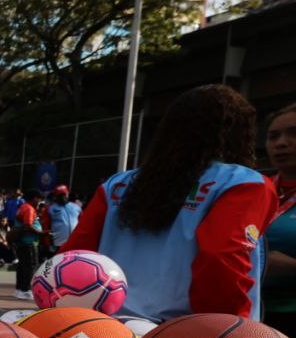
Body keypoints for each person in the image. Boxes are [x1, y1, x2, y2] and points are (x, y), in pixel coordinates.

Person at [63, 85, 277, 321]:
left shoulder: (117, 185)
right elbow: (221, 256)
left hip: (104, 326)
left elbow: (72, 257)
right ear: (240, 133)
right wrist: (227, 325)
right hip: (186, 331)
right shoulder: (243, 182)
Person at [262, 104, 296, 336]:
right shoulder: (252, 187)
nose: (281, 143)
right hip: (251, 314)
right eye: (273, 136)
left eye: (293, 133)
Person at [12, 189, 45, 300]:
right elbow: (28, 225)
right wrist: (41, 233)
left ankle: (19, 289)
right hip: (28, 243)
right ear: (35, 198)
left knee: (22, 266)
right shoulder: (29, 209)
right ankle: (26, 290)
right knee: (31, 266)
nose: (39, 202)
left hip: (22, 242)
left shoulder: (23, 207)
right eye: (39, 199)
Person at [47, 185, 81, 251]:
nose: (62, 197)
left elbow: (82, 223)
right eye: (60, 195)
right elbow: (46, 226)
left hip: (74, 243)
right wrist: (48, 243)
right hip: (58, 244)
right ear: (56, 196)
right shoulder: (50, 208)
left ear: (67, 194)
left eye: (64, 194)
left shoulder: (76, 207)